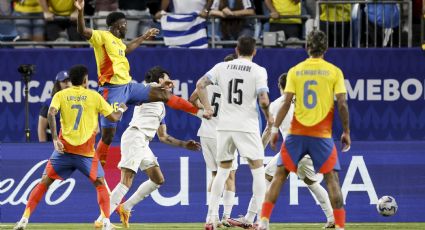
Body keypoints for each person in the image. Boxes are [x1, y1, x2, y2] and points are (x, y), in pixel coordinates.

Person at [75, 0, 212, 168]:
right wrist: (80, 11)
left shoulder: (118, 42)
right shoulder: (101, 36)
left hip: (129, 87)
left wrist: (144, 36)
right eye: (124, 24)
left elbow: (127, 49)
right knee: (108, 135)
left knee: (163, 94)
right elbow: (82, 30)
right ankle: (96, 168)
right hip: (112, 90)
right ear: (116, 25)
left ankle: (201, 113)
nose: (126, 27)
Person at [13, 65, 128, 230]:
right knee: (100, 184)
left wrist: (54, 139)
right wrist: (122, 109)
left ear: (72, 80)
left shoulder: (60, 95)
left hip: (63, 151)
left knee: (43, 183)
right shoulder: (94, 96)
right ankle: (106, 223)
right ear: (85, 80)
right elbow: (114, 118)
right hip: (86, 154)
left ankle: (23, 220)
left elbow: (51, 113)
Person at [257, 30, 351, 230]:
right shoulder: (334, 71)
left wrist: (274, 129)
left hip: (297, 134)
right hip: (321, 133)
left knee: (279, 176)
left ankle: (263, 221)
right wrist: (346, 131)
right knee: (331, 179)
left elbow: (286, 102)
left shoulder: (295, 70)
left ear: (307, 47)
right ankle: (340, 226)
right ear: (326, 48)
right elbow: (342, 104)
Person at [93, 66, 202, 228]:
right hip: (135, 137)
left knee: (158, 179)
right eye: (166, 78)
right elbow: (156, 87)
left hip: (143, 142)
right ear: (158, 80)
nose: (170, 82)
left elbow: (163, 137)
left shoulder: (161, 106)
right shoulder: (148, 90)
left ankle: (126, 207)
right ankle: (102, 219)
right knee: (126, 181)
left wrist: (185, 144)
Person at [228, 73, 335, 229]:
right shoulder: (308, 101)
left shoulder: (277, 104)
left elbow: (268, 130)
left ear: (280, 87)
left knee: (266, 176)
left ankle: (250, 219)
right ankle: (332, 218)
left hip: (293, 148)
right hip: (312, 148)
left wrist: (258, 151)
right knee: (311, 182)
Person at [195, 36, 273, 230]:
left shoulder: (221, 67)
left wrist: (207, 108)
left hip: (224, 126)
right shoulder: (258, 70)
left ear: (237, 49)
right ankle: (262, 221)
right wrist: (269, 116)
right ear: (254, 51)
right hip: (246, 125)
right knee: (257, 171)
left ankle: (211, 219)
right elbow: (263, 99)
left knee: (222, 171)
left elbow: (200, 85)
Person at [190, 53, 239, 227]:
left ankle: (212, 217)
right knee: (229, 175)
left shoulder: (207, 83)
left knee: (214, 175)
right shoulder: (234, 87)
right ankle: (225, 216)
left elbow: (192, 99)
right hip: (223, 134)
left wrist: (205, 110)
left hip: (206, 133)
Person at [38, 70, 71, 142]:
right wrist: (43, 147)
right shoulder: (49, 103)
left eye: (69, 80)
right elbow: (41, 128)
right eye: (63, 81)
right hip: (55, 144)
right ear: (58, 84)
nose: (67, 83)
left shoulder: (80, 101)